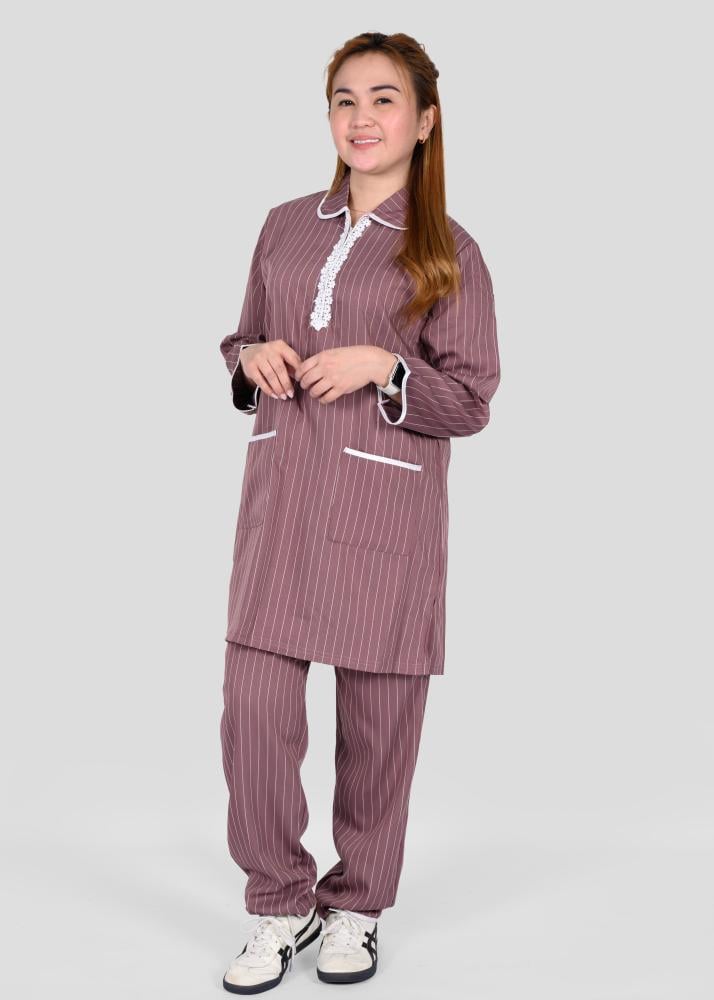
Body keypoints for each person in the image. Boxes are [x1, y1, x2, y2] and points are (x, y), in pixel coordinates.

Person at [219, 30, 501, 994]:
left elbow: (471, 399)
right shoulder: (283, 225)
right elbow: (242, 335)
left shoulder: (450, 250)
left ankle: (357, 907)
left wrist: (386, 366)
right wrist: (251, 356)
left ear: (424, 121)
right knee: (254, 717)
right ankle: (279, 903)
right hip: (281, 507)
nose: (362, 118)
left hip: (385, 519)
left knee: (378, 733)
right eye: (346, 99)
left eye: (385, 100)